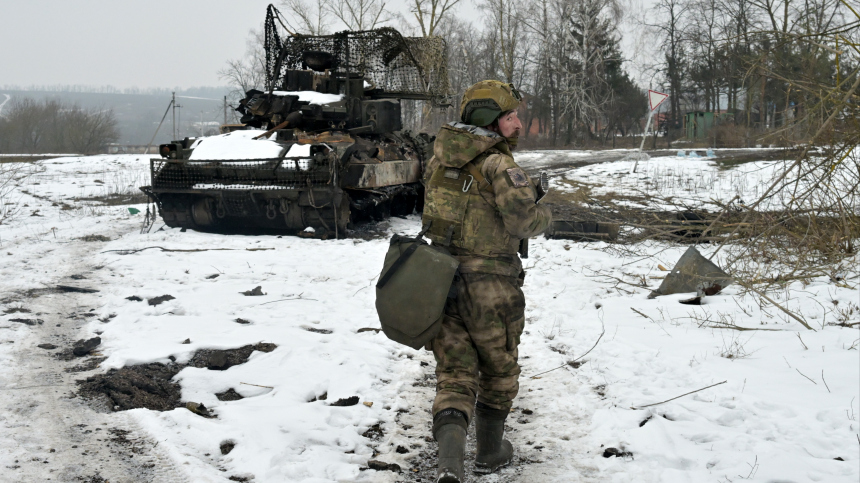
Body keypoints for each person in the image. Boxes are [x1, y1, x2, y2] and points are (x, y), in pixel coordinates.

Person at [421, 80, 552, 483]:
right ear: (491, 122)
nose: (518, 123)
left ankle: (449, 466)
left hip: (440, 279)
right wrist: (545, 213)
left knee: (454, 373)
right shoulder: (500, 165)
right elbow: (523, 222)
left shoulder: (438, 161)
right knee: (498, 370)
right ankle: (490, 451)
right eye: (511, 117)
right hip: (492, 285)